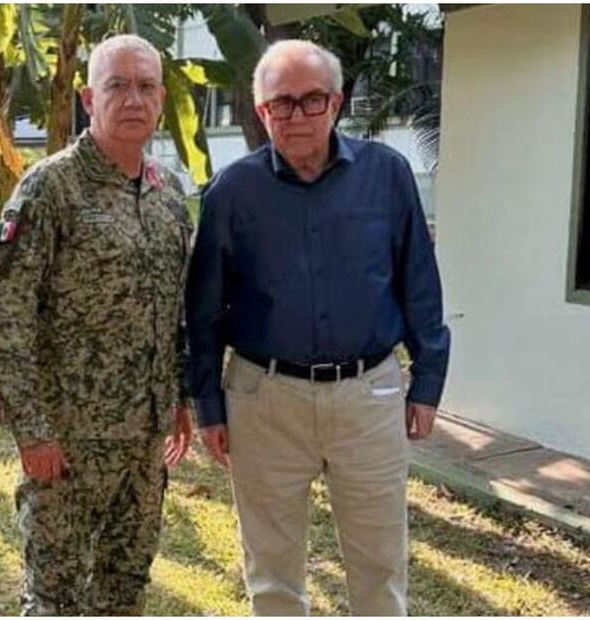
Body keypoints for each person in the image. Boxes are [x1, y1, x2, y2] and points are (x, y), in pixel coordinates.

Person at [186, 40, 451, 616]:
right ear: (262, 112)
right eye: (280, 103)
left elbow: (419, 282)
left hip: (368, 396)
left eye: (311, 100)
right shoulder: (230, 193)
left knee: (380, 567)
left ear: (336, 102)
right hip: (264, 400)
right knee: (272, 573)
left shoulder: (387, 175)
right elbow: (203, 309)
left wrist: (428, 380)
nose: (297, 115)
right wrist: (208, 405)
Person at [0, 34, 193, 616]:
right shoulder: (50, 187)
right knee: (55, 594)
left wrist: (177, 399)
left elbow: (172, 305)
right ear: (88, 97)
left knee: (126, 583)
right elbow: (7, 315)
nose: (133, 99)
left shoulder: (167, 193)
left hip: (144, 441)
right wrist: (33, 432)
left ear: (160, 98)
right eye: (117, 86)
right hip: (69, 440)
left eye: (146, 87)